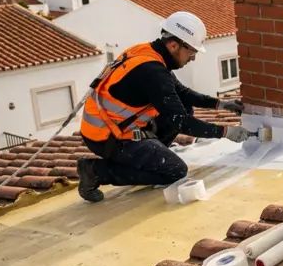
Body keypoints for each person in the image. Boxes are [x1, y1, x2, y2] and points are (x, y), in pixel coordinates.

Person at [76, 11, 253, 202]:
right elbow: (181, 123)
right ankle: (96, 171)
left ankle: (151, 155)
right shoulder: (152, 72)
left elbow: (182, 93)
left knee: (184, 106)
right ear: (174, 45)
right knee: (175, 171)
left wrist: (220, 104)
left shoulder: (149, 53)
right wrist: (226, 132)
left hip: (115, 126)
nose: (193, 58)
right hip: (107, 138)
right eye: (191, 52)